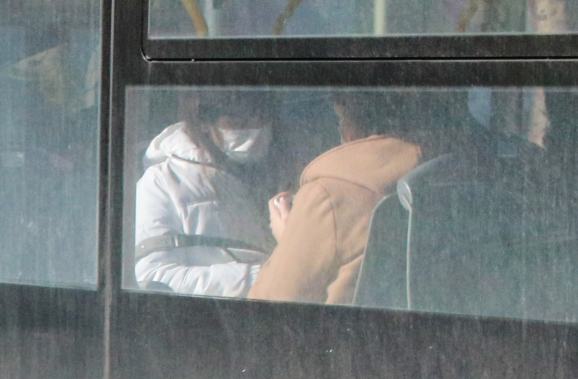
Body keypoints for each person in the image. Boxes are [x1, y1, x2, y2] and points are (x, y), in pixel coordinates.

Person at [248, 92, 449, 306]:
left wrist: (289, 239)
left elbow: (271, 305)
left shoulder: (328, 197)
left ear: (351, 122)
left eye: (339, 116)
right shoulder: (454, 176)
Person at [132, 94, 278, 298]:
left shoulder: (283, 169)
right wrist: (263, 276)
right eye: (237, 120)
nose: (252, 129)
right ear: (203, 123)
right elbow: (153, 278)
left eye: (260, 118)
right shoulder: (162, 182)